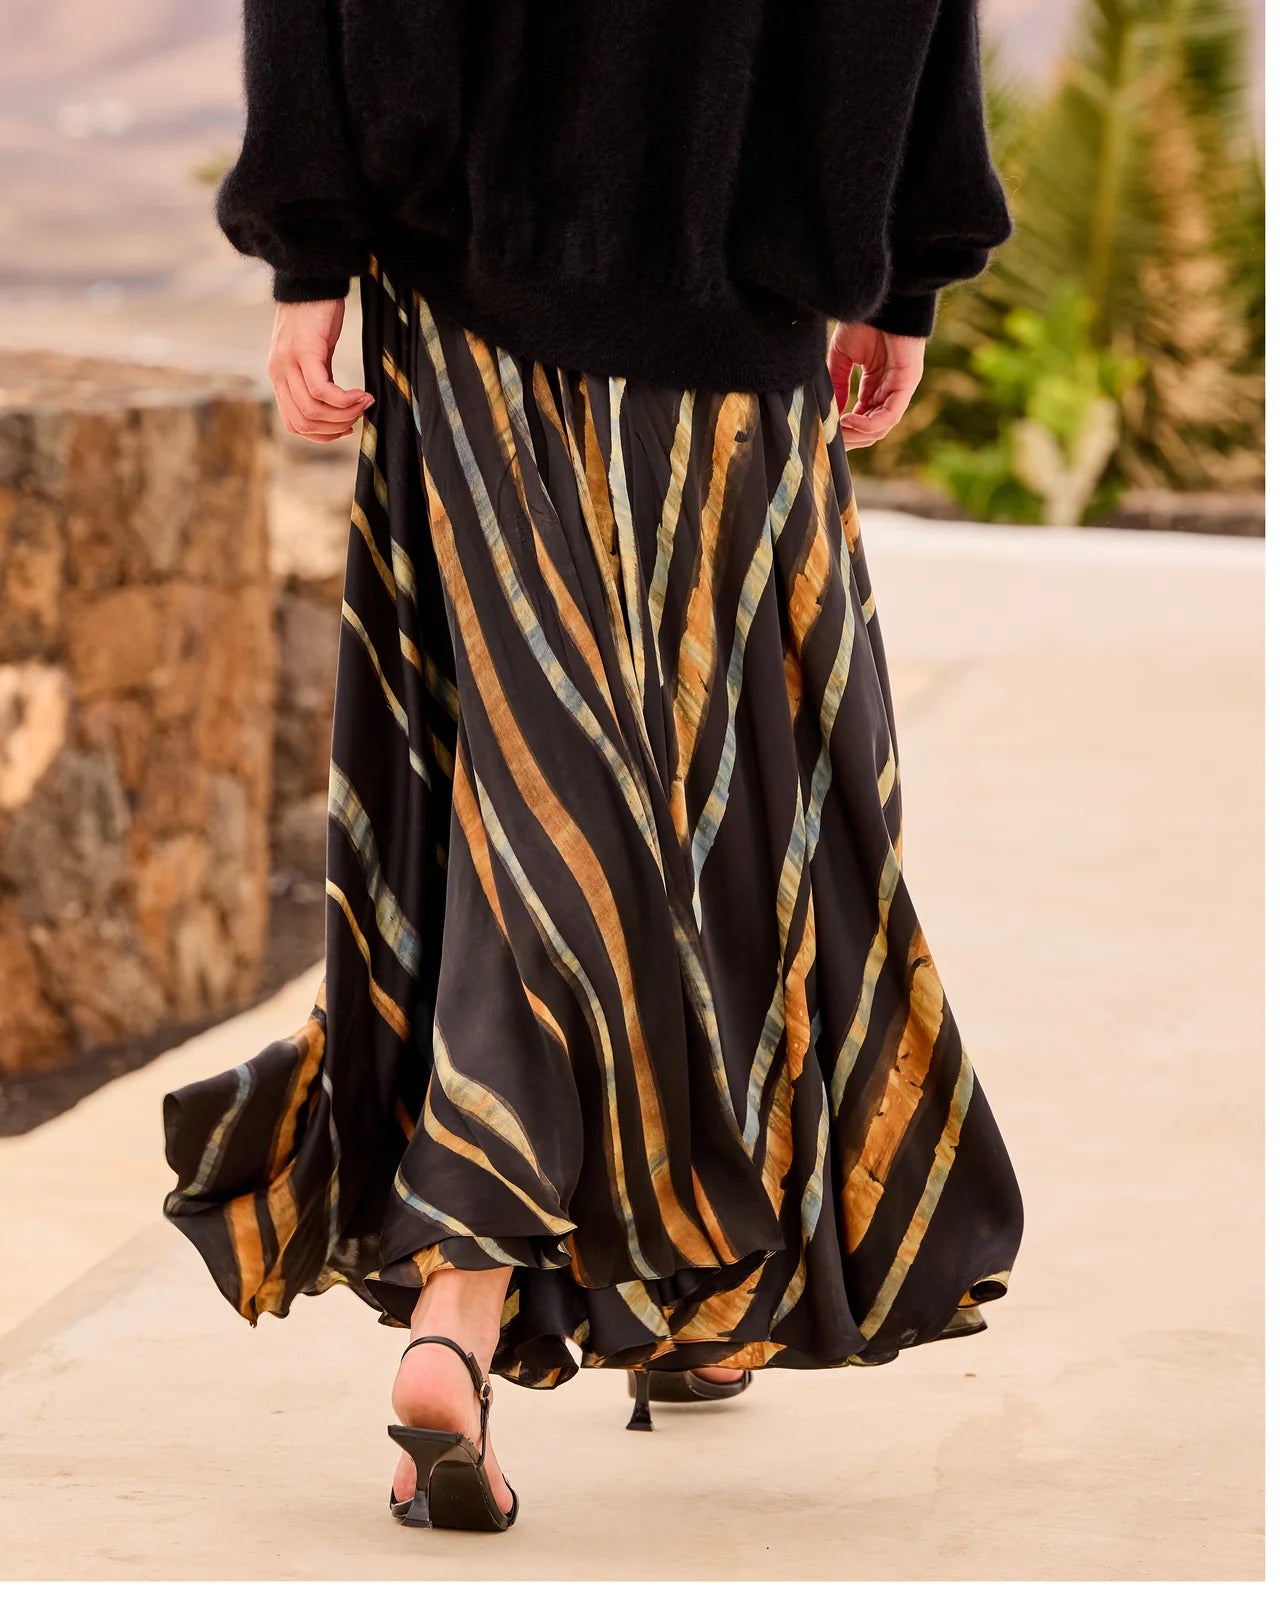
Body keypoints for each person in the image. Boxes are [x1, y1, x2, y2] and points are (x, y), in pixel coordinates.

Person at [163, 0, 1024, 1534]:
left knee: (537, 772)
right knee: (727, 780)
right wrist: (905, 250)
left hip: (474, 268)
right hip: (742, 266)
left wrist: (312, 248)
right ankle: (472, 1301)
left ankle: (652, 1284)